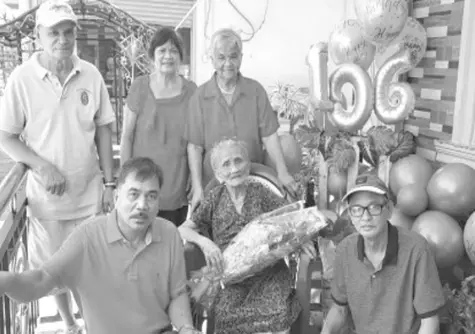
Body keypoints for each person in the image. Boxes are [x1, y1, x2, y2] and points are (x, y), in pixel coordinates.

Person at [0, 1, 115, 333]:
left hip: (90, 195)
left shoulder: (90, 74)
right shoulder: (22, 79)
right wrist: (40, 166)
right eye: (54, 32)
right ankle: (69, 324)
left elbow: (105, 129)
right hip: (48, 203)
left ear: (75, 34)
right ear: (39, 35)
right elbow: (6, 136)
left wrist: (109, 184)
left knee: (92, 269)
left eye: (68, 32)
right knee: (52, 272)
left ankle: (94, 325)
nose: (62, 39)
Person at [0, 157, 202, 334]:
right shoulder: (87, 237)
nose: (142, 205)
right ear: (116, 197)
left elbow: (177, 293)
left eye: (151, 196)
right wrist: (8, 281)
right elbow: (41, 279)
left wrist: (186, 328)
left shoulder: (169, 233)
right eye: (133, 194)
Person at [179, 138, 316, 334]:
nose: (234, 168)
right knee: (228, 311)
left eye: (238, 160)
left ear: (248, 165)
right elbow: (183, 229)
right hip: (230, 277)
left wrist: (302, 238)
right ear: (218, 174)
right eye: (226, 164)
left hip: (268, 273)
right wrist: (205, 242)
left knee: (277, 308)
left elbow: (291, 219)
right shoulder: (214, 198)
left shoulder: (261, 192)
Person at [186, 28, 299, 213]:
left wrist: (282, 172)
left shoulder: (255, 91)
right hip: (214, 186)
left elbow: (270, 137)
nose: (228, 63)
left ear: (241, 57)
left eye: (233, 56)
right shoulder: (200, 96)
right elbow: (194, 147)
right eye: (221, 57)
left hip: (252, 180)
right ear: (212, 59)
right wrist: (198, 187)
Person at [321, 173, 446, 334]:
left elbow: (429, 323)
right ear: (351, 215)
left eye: (374, 207)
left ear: (389, 210)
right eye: (357, 210)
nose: (365, 217)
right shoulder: (346, 250)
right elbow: (339, 310)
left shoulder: (416, 250)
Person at [120, 27, 197, 227]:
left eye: (173, 51)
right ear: (152, 56)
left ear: (181, 57)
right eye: (162, 50)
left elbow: (194, 141)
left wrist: (193, 178)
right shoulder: (140, 86)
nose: (168, 56)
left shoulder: (191, 91)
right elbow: (126, 136)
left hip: (175, 184)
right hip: (140, 184)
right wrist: (123, 179)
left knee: (169, 244)